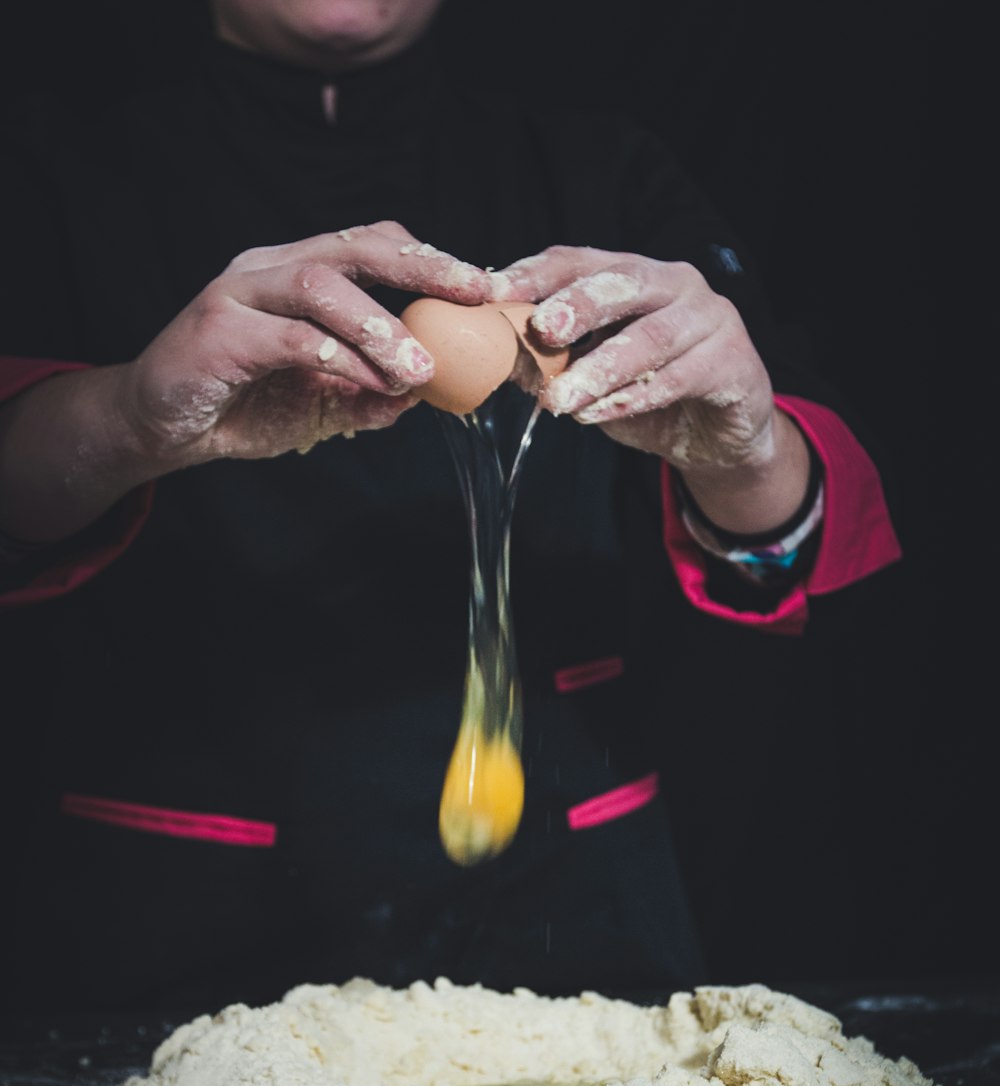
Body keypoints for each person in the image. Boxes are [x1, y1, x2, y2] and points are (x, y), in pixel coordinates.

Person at [0, 0, 900, 1010]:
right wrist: (127, 413)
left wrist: (742, 449)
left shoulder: (604, 170)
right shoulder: (45, 171)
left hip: (572, 904)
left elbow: (789, 542)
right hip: (183, 906)